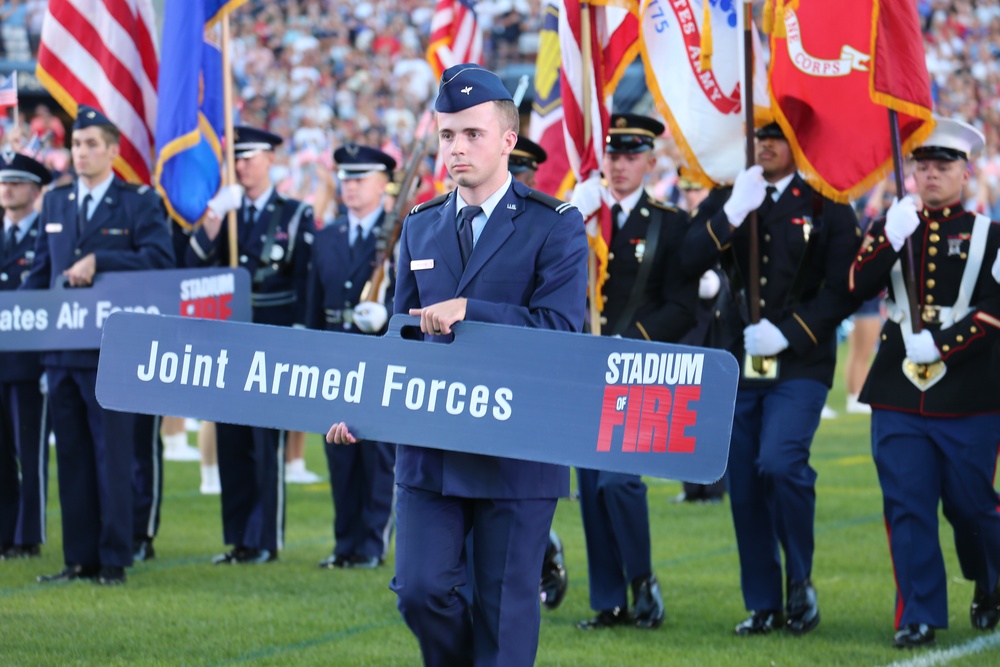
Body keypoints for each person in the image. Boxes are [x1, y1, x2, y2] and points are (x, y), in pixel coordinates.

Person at [327, 63, 588, 666]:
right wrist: (361, 411)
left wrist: (474, 310)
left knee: (503, 610)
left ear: (507, 140)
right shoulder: (419, 227)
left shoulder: (556, 226)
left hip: (515, 450)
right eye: (447, 135)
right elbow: (399, 340)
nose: (457, 147)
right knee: (419, 593)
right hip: (431, 449)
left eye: (472, 134)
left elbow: (561, 333)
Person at [682, 122, 861, 636]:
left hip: (799, 361)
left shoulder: (827, 201)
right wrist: (734, 210)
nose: (766, 144)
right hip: (738, 361)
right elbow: (688, 258)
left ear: (799, 142)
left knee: (780, 463)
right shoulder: (733, 195)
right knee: (744, 483)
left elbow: (842, 288)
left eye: (778, 135)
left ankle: (800, 579)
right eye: (759, 135)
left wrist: (789, 334)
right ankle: (763, 603)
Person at [850, 118, 1000, 648]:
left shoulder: (990, 235)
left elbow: (996, 307)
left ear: (966, 172)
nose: (931, 175)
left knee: (972, 504)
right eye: (923, 165)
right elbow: (856, 289)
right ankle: (918, 613)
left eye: (944, 166)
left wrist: (945, 341)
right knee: (907, 502)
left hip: (969, 390)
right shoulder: (892, 227)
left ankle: (990, 581)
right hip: (897, 388)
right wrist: (888, 238)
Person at [23, 106, 175, 585]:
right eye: (75, 144)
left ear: (112, 150)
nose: (81, 152)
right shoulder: (56, 202)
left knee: (113, 456)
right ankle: (78, 559)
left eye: (91, 144)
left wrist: (100, 259)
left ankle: (114, 559)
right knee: (70, 456)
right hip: (61, 350)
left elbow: (158, 258)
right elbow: (42, 274)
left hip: (113, 351)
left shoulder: (139, 203)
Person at [569, 113, 698, 630]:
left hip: (638, 371)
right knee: (592, 489)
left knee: (619, 483)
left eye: (630, 156)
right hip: (583, 371)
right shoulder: (577, 218)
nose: (619, 165)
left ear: (649, 161)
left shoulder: (670, 223)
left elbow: (683, 306)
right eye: (613, 155)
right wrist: (566, 218)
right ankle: (609, 600)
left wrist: (633, 342)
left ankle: (642, 579)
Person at [185, 125, 315, 565]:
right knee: (232, 442)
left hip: (273, 339)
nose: (241, 165)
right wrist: (215, 216)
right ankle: (239, 537)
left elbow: (303, 279)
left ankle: (265, 540)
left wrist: (300, 329)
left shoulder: (295, 213)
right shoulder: (227, 213)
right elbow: (195, 260)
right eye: (236, 158)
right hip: (229, 339)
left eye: (250, 157)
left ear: (270, 161)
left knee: (265, 443)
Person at [307, 142, 397, 570]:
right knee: (339, 455)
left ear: (383, 183)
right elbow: (313, 303)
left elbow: (414, 298)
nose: (351, 187)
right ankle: (344, 544)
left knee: (376, 457)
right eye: (345, 179)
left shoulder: (402, 237)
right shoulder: (326, 237)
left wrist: (388, 314)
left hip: (378, 361)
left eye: (360, 179)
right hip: (334, 359)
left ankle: (372, 544)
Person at [0, 152, 51, 560]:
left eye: (16, 181)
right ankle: (5, 531)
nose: (7, 187)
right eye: (4, 180)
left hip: (28, 359)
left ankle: (28, 534)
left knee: (29, 450)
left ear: (35, 190)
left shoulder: (46, 237)